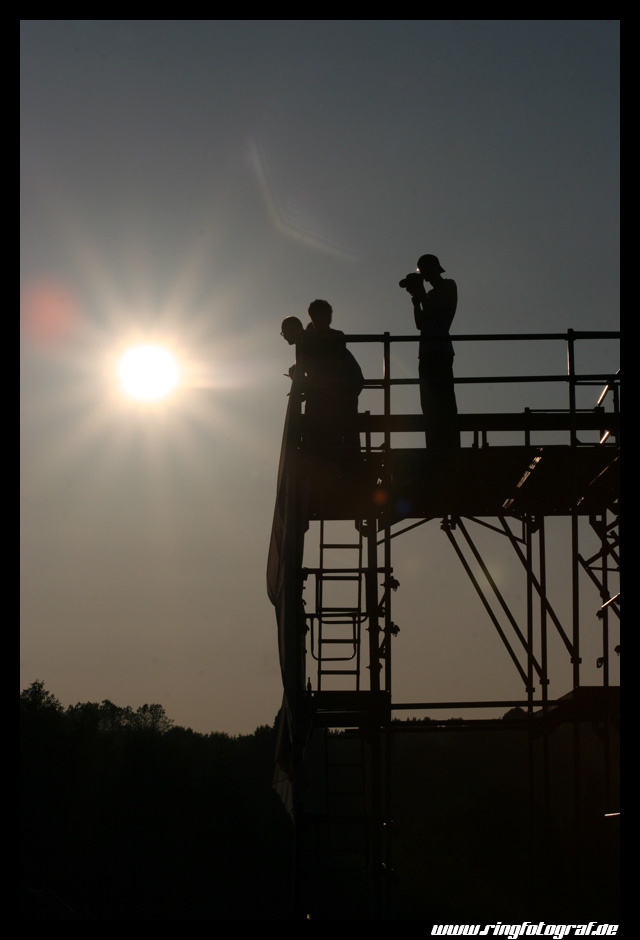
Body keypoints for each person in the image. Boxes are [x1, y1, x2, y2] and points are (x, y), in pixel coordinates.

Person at [281, 302, 364, 455]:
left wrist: (299, 382)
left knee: (322, 439)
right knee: (346, 436)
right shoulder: (328, 337)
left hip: (337, 394)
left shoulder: (311, 341)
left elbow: (318, 372)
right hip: (346, 391)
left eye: (285, 333)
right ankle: (350, 460)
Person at [401, 254, 460, 449]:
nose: (424, 276)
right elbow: (421, 324)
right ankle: (434, 445)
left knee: (443, 403)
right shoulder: (431, 295)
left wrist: (422, 295)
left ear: (433, 269)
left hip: (440, 350)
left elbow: (436, 314)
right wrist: (416, 301)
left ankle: (448, 446)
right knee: (428, 404)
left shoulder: (448, 286)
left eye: (423, 270)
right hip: (427, 352)